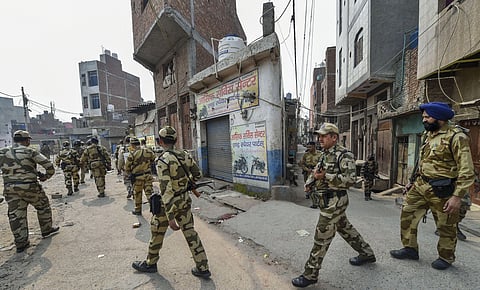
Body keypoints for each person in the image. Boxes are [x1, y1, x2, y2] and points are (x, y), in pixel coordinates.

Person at [390, 102, 475, 270]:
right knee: (407, 212)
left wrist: (457, 197)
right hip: (421, 184)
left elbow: (467, 169)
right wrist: (411, 181)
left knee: (446, 225)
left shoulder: (456, 137)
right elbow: (422, 161)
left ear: (440, 118)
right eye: (423, 117)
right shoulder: (428, 134)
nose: (424, 120)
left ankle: (446, 257)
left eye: (427, 117)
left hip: (443, 189)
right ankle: (410, 248)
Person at [292, 123, 376, 288]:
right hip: (326, 201)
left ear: (334, 137)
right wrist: (309, 182)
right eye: (319, 136)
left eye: (324, 136)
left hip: (336, 201)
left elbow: (350, 180)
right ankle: (367, 253)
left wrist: (326, 176)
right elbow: (317, 170)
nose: (320, 139)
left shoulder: (344, 155)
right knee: (345, 228)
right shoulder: (325, 154)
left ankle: (310, 274)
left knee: (321, 237)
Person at [132, 126, 211, 279]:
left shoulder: (162, 160)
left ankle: (150, 263)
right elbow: (198, 174)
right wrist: (186, 184)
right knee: (190, 233)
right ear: (175, 140)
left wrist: (170, 216)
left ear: (160, 141)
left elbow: (166, 190)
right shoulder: (185, 155)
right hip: (184, 201)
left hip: (167, 205)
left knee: (157, 231)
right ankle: (203, 267)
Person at [0, 130, 59, 253]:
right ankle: (46, 229)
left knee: (16, 215)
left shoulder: (3, 152)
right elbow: (49, 166)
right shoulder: (30, 151)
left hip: (10, 189)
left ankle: (21, 243)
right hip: (30, 187)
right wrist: (45, 177)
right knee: (43, 206)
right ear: (27, 140)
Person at [124, 137, 155, 215]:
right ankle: (155, 209)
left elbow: (127, 167)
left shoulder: (132, 154)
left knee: (137, 194)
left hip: (138, 178)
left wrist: (129, 173)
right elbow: (153, 159)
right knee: (149, 193)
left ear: (132, 145)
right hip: (148, 176)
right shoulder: (148, 151)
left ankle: (138, 210)